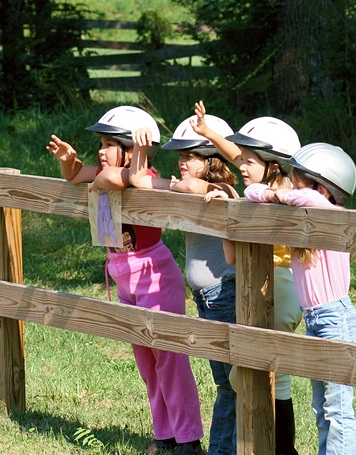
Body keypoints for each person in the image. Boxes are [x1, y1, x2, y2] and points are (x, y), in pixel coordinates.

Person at [46, 106, 204, 455]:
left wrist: (97, 183)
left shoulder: (141, 173)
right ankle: (164, 435)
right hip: (123, 277)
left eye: (109, 144)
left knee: (168, 358)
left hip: (155, 274)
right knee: (146, 363)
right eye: (99, 143)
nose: (100, 151)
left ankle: (188, 439)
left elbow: (115, 180)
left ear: (132, 149)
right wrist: (67, 160)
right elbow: (75, 176)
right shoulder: (108, 169)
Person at [129, 114, 239, 455]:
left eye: (189, 156)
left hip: (226, 294)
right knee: (226, 382)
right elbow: (137, 179)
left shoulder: (220, 190)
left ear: (211, 162)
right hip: (207, 298)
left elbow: (192, 187)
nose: (181, 161)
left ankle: (222, 450)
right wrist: (139, 149)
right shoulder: (189, 186)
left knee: (230, 384)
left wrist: (177, 185)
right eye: (180, 155)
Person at [242, 142, 356, 455]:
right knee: (321, 407)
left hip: (335, 318)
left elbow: (305, 198)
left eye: (298, 182)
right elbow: (252, 192)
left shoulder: (333, 216)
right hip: (316, 319)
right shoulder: (307, 215)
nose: (290, 190)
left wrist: (280, 195)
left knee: (337, 408)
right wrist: (273, 194)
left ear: (322, 189)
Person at [198, 103, 302, 455]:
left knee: (259, 375)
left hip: (280, 286)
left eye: (248, 162)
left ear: (273, 166)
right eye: (239, 159)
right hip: (260, 283)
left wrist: (232, 200)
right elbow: (232, 256)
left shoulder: (278, 196)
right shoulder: (263, 189)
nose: (239, 165)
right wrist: (230, 200)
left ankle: (276, 449)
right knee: (261, 376)